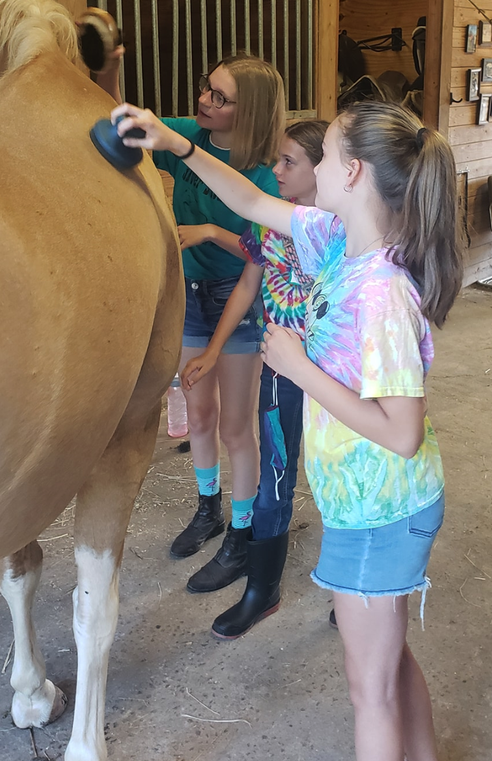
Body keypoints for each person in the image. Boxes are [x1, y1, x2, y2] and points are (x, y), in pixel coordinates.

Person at [111, 99, 463, 761]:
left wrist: (298, 368)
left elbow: (401, 432)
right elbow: (246, 201)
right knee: (387, 666)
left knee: (370, 694)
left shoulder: (380, 293)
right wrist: (175, 145)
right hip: (368, 504)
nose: (307, 167)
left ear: (353, 173)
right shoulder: (337, 241)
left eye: (323, 155)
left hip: (380, 509)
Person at [98, 52, 285, 593]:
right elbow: (123, 118)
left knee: (235, 428)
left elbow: (260, 256)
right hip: (189, 293)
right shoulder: (189, 134)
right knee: (198, 416)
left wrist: (207, 230)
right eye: (207, 87)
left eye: (219, 97)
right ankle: (209, 510)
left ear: (247, 112)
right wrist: (110, 73)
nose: (204, 99)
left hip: (239, 301)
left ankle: (243, 533)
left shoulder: (265, 173)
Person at [181, 119, 327, 639]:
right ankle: (261, 589)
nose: (277, 170)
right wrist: (214, 349)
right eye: (277, 159)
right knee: (277, 473)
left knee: (343, 473)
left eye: (290, 162)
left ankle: (354, 584)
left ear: (323, 169)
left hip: (337, 372)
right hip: (281, 369)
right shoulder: (270, 223)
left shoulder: (341, 227)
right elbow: (249, 285)